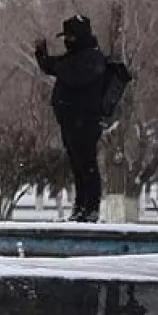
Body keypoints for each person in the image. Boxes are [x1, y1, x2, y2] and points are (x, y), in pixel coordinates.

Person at [34, 15, 108, 222]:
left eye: (70, 37)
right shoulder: (74, 58)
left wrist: (57, 66)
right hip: (69, 121)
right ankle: (80, 207)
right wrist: (41, 54)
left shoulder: (91, 58)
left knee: (87, 165)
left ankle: (91, 207)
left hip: (85, 121)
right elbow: (52, 66)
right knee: (77, 165)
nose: (67, 42)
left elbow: (73, 76)